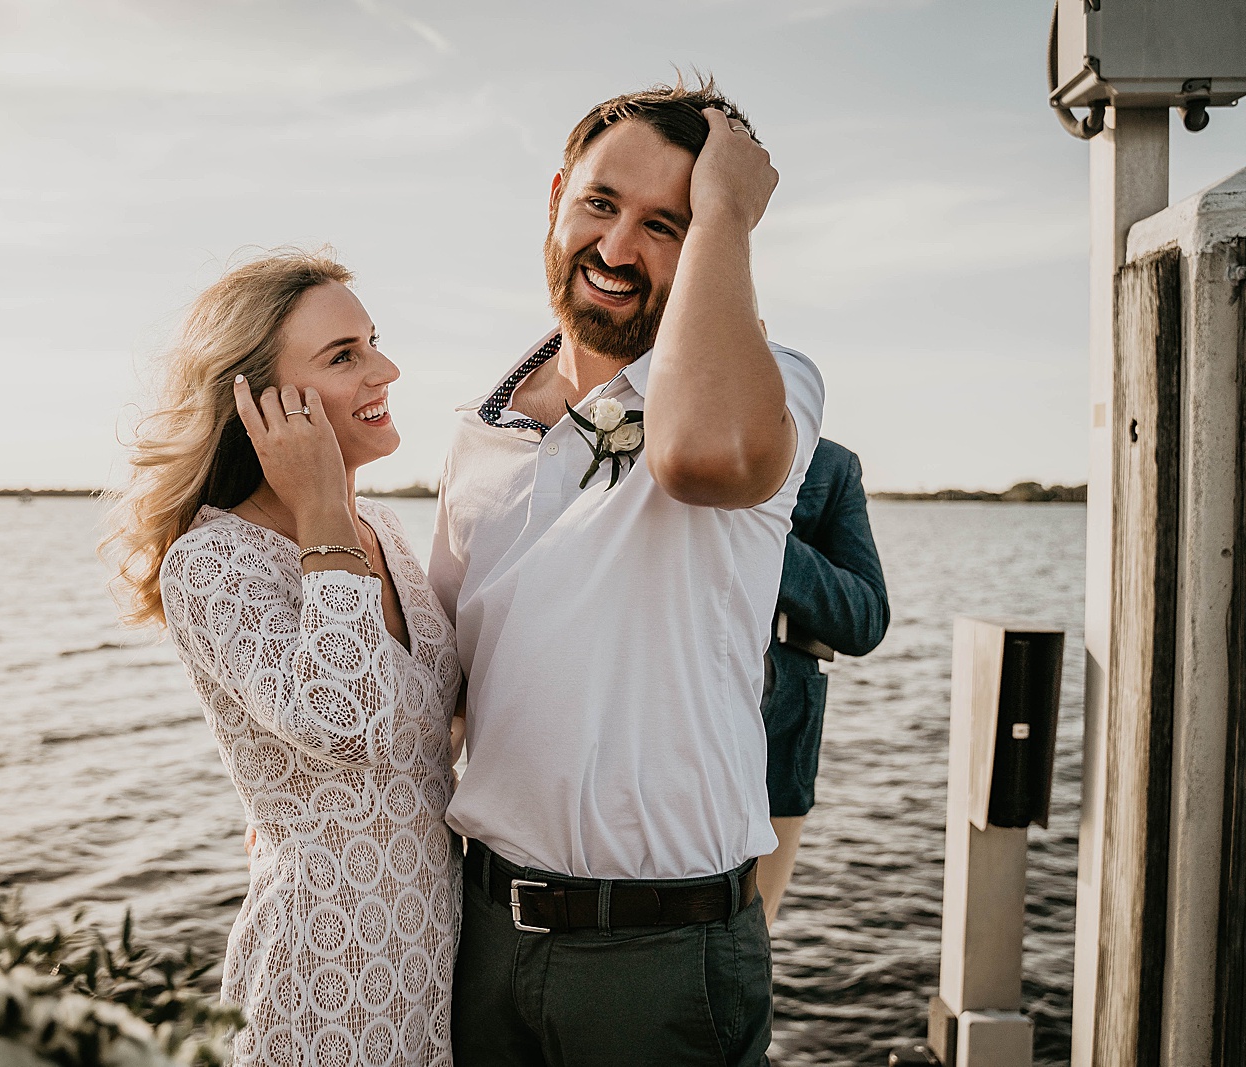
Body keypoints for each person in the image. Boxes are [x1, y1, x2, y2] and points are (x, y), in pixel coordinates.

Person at [431, 76, 823, 1066]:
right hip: (480, 935)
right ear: (556, 196)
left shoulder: (773, 389)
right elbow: (443, 691)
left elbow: (701, 457)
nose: (615, 248)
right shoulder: (478, 430)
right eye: (600, 203)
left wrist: (726, 208)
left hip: (662, 959)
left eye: (664, 224)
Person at [104, 251, 462, 1067]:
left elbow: (433, 718)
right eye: (343, 356)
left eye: (373, 342)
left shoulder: (387, 532)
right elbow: (346, 723)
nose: (385, 370)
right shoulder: (211, 562)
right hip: (323, 975)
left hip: (437, 962)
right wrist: (322, 506)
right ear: (258, 404)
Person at [754, 437, 890, 926]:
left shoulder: (830, 465)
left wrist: (762, 532)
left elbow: (866, 619)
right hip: (645, 740)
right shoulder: (641, 436)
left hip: (777, 747)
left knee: (754, 936)